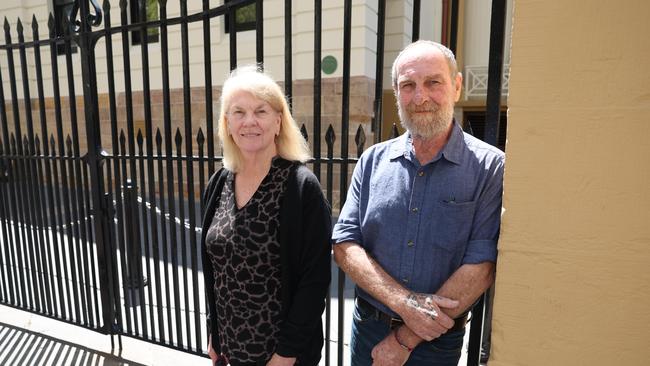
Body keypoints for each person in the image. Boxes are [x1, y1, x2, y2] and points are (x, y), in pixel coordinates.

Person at [332, 40, 505, 366]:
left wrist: (404, 339)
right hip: (368, 327)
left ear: (455, 88)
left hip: (437, 340)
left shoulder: (489, 167)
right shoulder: (372, 160)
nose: (420, 97)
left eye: (433, 83)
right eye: (408, 85)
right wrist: (404, 303)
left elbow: (482, 266)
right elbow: (344, 243)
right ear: (397, 93)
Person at [200, 66, 332, 366]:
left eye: (261, 111)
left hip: (281, 356)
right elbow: (215, 272)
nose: (250, 121)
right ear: (227, 123)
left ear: (278, 121)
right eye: (238, 112)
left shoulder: (301, 187)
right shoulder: (219, 182)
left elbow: (315, 280)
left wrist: (286, 355)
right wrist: (214, 332)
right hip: (229, 353)